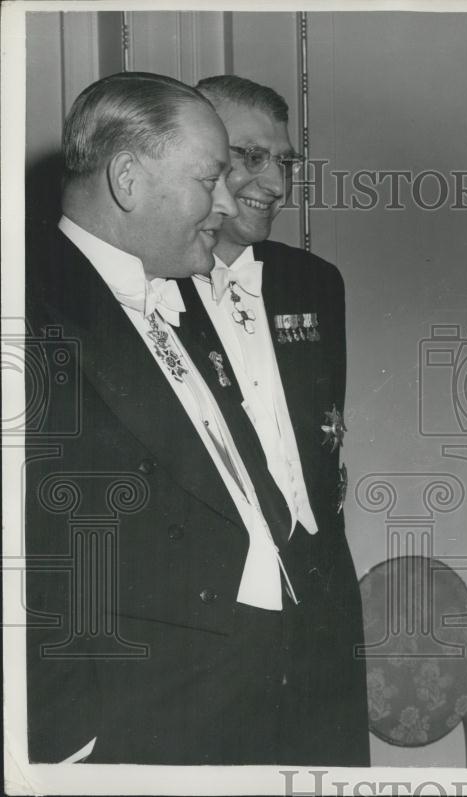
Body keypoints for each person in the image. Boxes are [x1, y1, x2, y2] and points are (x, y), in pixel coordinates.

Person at [24, 71, 351, 765]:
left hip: (240, 685)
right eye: (212, 178)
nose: (230, 200)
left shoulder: (164, 292)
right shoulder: (30, 306)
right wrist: (63, 737)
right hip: (137, 713)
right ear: (129, 180)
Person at [190, 73, 369, 765]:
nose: (274, 181)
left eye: (285, 161)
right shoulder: (147, 284)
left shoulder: (314, 283)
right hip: (216, 607)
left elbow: (320, 448)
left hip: (323, 592)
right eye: (248, 156)